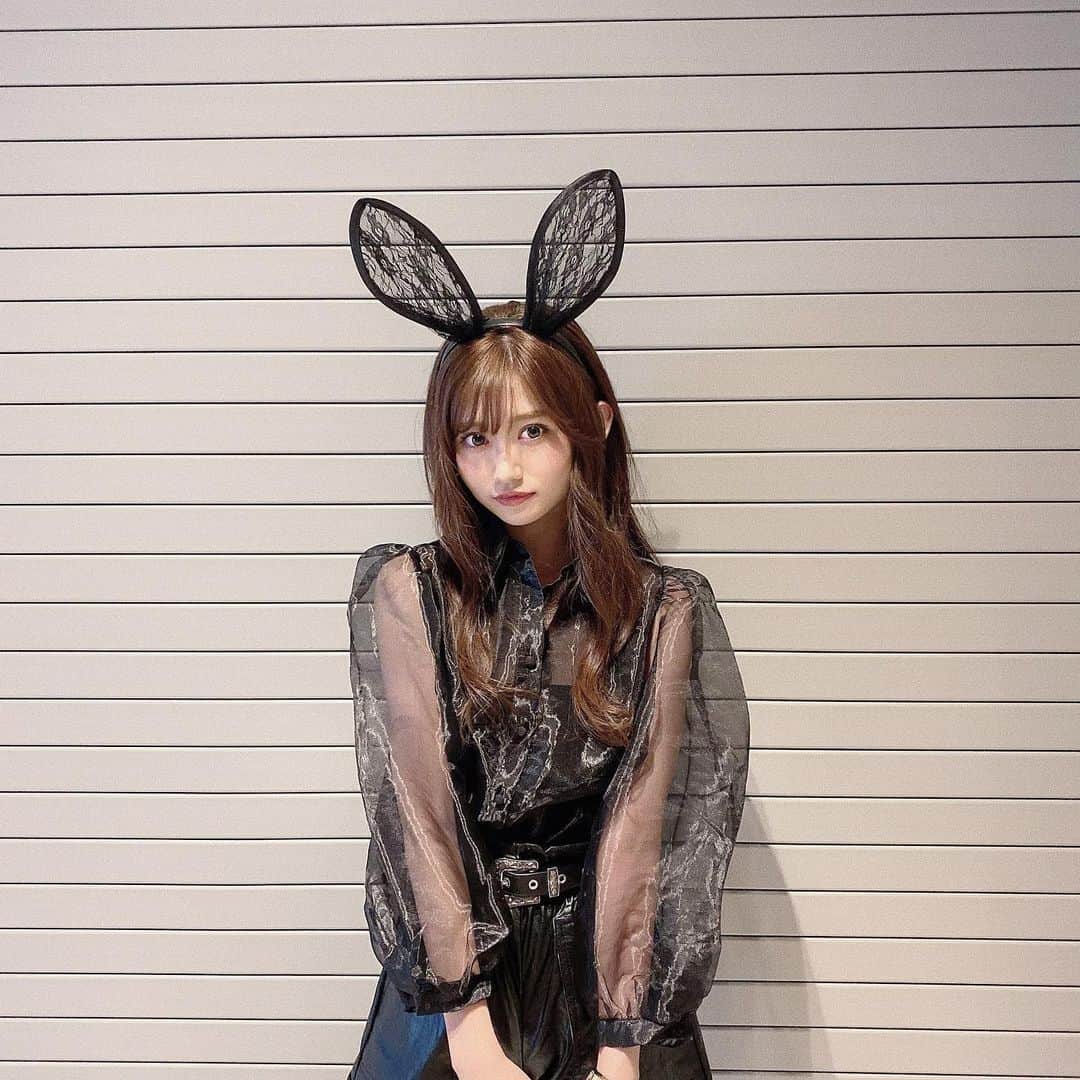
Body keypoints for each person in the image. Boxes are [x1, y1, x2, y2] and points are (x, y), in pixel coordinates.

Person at [343, 170, 750, 1080]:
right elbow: (417, 814)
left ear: (590, 425)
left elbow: (651, 827)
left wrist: (620, 1039)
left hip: (603, 976)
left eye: (532, 431)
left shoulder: (660, 609)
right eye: (475, 438)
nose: (504, 468)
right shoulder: (414, 594)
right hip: (462, 983)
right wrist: (467, 1032)